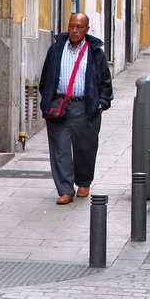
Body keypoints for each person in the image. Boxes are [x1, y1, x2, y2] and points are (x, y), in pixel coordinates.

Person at [38, 13, 113, 204]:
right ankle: (65, 190)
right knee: (60, 150)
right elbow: (45, 78)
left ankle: (84, 182)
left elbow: (105, 81)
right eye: (71, 25)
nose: (74, 30)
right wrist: (47, 101)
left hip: (86, 107)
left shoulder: (95, 52)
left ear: (87, 30)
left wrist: (102, 104)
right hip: (59, 106)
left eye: (79, 27)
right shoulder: (56, 49)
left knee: (85, 148)